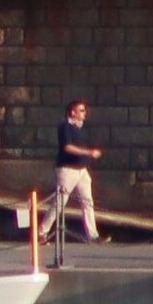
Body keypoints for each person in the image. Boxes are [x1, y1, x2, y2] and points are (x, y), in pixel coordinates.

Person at [47, 98, 102, 243]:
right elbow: (68, 147)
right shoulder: (65, 127)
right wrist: (89, 153)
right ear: (73, 112)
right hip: (67, 170)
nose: (84, 113)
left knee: (87, 202)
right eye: (81, 110)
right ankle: (42, 231)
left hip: (82, 171)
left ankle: (93, 235)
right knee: (60, 203)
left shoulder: (82, 129)